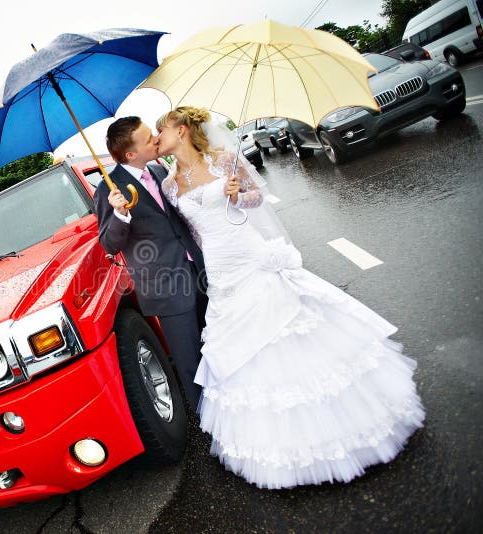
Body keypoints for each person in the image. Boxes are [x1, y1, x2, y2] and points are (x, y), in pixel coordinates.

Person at [155, 106, 425, 489]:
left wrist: (237, 197)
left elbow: (256, 199)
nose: (157, 137)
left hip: (248, 252)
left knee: (289, 327)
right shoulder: (169, 184)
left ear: (181, 131)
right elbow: (194, 234)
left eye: (161, 130)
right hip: (220, 267)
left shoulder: (224, 160)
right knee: (240, 345)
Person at [94, 116, 208, 408]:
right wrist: (120, 214)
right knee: (191, 364)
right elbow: (109, 243)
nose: (156, 140)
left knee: (217, 349)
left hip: (198, 272)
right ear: (130, 154)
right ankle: (211, 429)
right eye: (148, 139)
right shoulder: (109, 190)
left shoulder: (158, 170)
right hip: (167, 289)